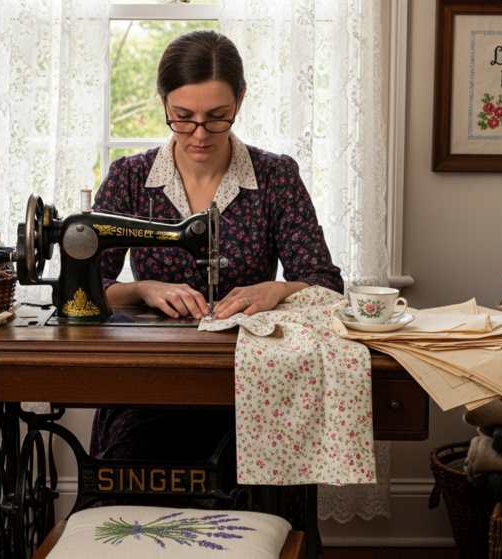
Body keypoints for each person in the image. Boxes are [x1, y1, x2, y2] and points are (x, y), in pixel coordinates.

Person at [90, 30, 343, 484]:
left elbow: (324, 282)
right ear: (163, 102)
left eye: (217, 117)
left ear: (240, 101)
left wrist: (279, 290)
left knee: (247, 477)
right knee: (132, 462)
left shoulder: (275, 177)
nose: (200, 134)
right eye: (183, 118)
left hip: (253, 379)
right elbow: (89, 288)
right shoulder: (129, 178)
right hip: (151, 379)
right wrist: (145, 289)